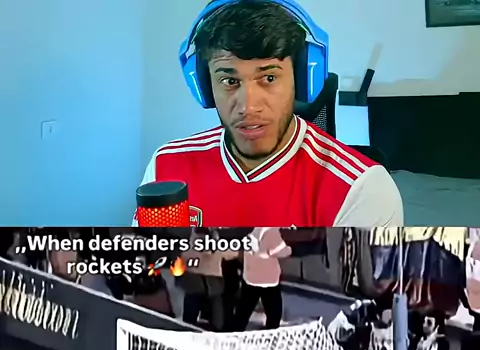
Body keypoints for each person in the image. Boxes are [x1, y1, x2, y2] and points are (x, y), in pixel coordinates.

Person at [135, 0, 403, 228]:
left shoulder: (361, 190)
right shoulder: (166, 168)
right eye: (229, 81)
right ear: (205, 86)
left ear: (301, 78)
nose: (248, 107)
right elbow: (150, 267)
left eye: (269, 78)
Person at [234, 226, 291, 329]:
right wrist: (289, 250)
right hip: (268, 279)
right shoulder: (270, 230)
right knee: (273, 311)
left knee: (244, 309)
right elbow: (278, 250)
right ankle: (271, 331)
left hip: (250, 275)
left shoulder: (248, 229)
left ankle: (236, 330)